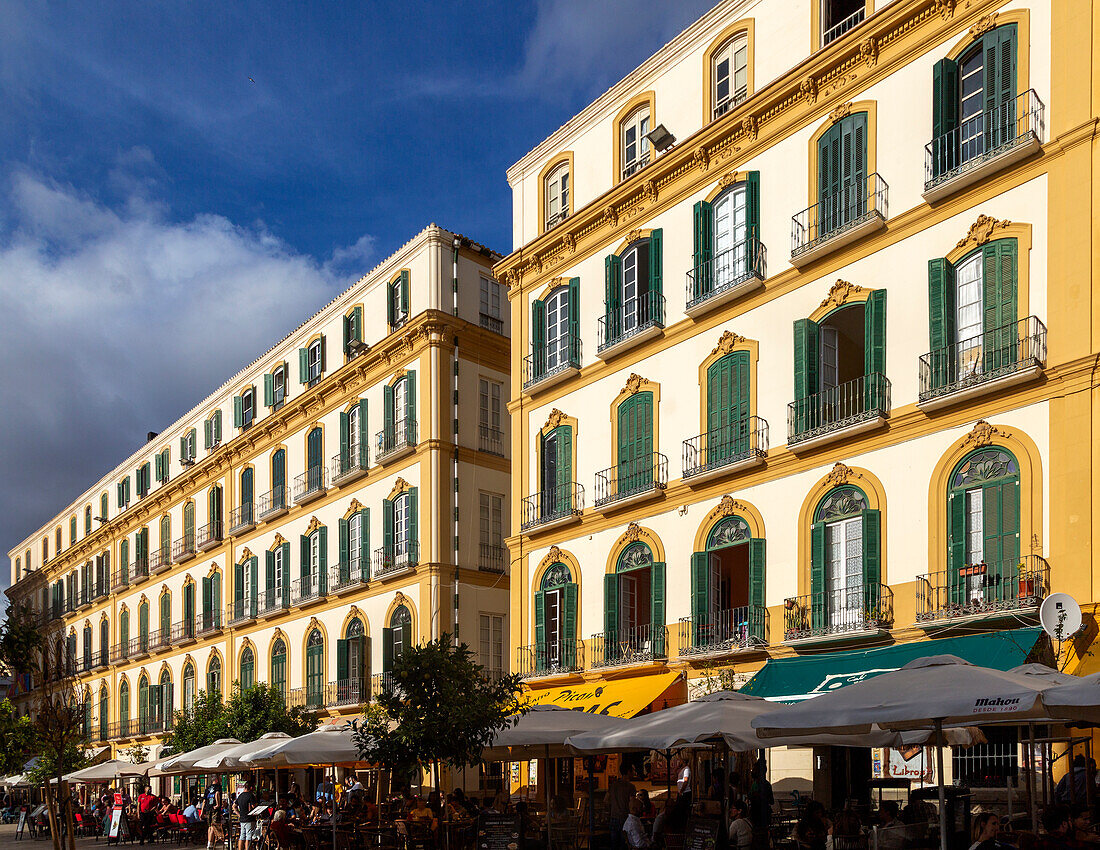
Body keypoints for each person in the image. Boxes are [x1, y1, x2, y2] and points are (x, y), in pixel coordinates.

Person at [609, 762, 637, 850]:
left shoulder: (613, 785)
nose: (634, 773)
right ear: (629, 772)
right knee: (624, 844)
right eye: (633, 770)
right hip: (625, 818)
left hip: (613, 817)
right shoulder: (631, 787)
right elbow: (632, 803)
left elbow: (606, 800)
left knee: (614, 844)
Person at [749, 758, 774, 834]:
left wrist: (760, 796)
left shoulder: (765, 785)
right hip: (756, 815)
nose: (752, 771)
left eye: (754, 770)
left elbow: (771, 801)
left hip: (761, 817)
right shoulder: (755, 784)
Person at [235, 780, 258, 850]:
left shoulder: (240, 796)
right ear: (251, 787)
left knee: (242, 836)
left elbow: (234, 806)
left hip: (242, 819)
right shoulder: (251, 795)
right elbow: (254, 806)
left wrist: (239, 814)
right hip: (249, 819)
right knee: (248, 837)